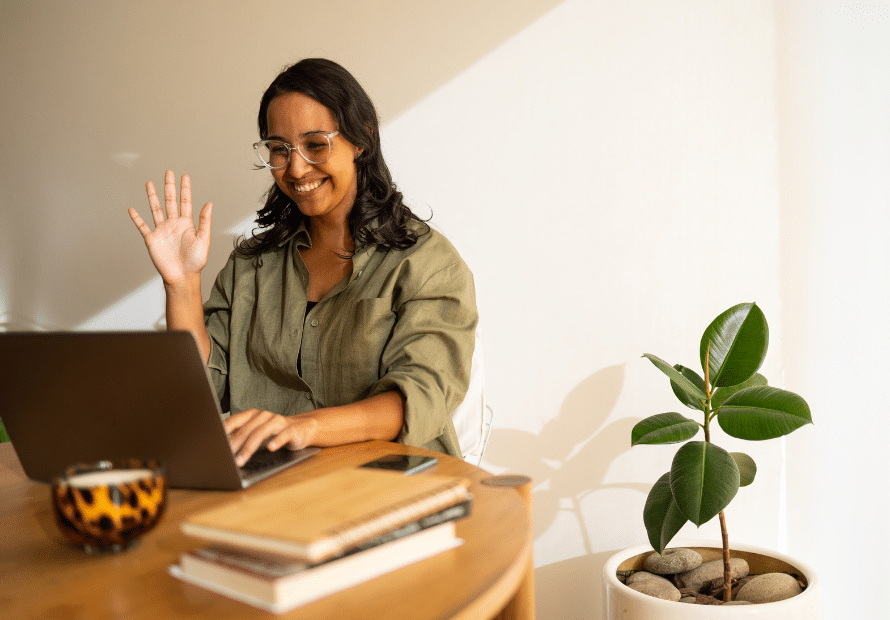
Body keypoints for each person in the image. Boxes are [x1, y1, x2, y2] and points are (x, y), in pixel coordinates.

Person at [128, 58, 477, 466]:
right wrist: (182, 284)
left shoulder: (426, 263)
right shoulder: (251, 267)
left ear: (361, 138)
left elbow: (416, 398)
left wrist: (302, 427)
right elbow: (201, 392)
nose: (295, 168)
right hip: (271, 484)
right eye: (280, 149)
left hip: (389, 487)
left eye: (315, 144)